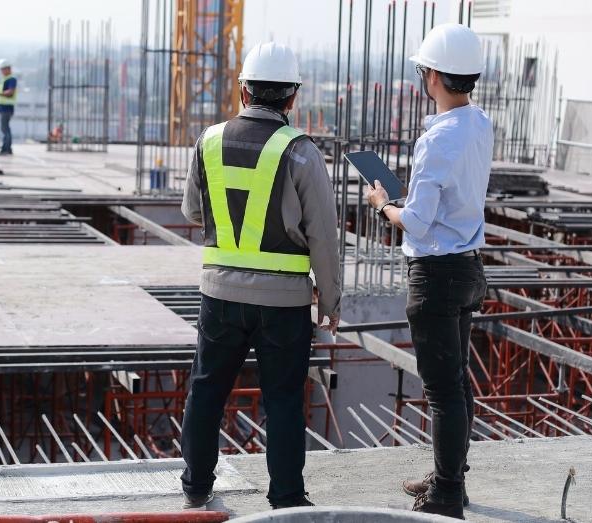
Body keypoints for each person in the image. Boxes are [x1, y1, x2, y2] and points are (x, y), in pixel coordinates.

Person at [179, 42, 341, 511]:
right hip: (285, 304)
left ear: (243, 91)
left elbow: (193, 210)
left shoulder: (208, 141)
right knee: (285, 400)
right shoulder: (301, 152)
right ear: (292, 98)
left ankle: (195, 486)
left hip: (220, 297)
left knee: (207, 389)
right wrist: (330, 303)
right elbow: (324, 239)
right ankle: (287, 498)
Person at [366, 23, 492, 519]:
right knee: (457, 383)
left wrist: (382, 204)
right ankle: (448, 481)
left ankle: (444, 497)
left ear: (433, 75)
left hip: (436, 273)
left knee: (443, 391)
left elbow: (415, 223)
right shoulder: (479, 123)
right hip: (468, 267)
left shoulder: (436, 139)